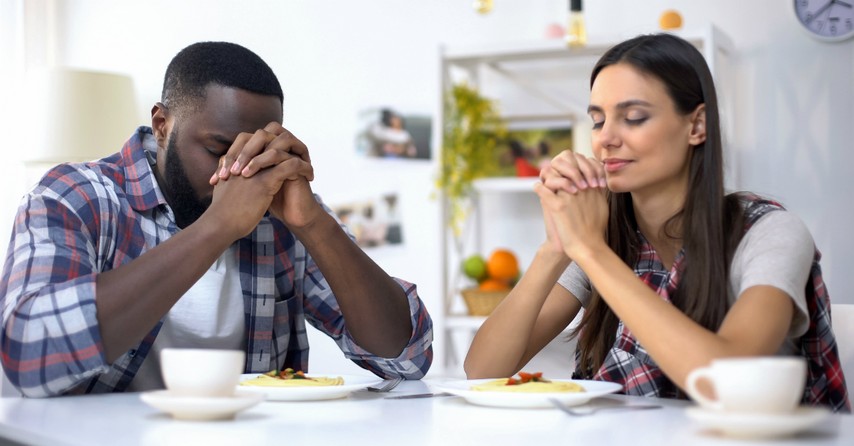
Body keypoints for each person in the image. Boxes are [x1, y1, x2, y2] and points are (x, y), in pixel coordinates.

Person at [0, 42, 433, 397]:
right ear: (162, 124)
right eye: (218, 149)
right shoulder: (76, 197)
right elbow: (27, 352)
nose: (236, 172)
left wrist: (314, 224)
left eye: (255, 153)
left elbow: (407, 357)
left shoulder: (282, 215)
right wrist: (217, 226)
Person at [464, 33, 850, 412]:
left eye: (633, 118)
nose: (606, 139)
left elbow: (730, 381)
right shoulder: (607, 238)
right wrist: (556, 247)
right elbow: (482, 370)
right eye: (598, 121)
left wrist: (591, 249)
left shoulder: (768, 232)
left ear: (697, 126)